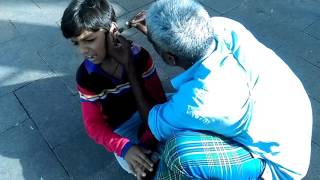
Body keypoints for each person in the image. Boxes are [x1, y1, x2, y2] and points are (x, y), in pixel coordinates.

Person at [107, 0, 313, 179]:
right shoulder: (224, 27)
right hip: (290, 126)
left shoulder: (198, 100)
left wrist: (130, 67)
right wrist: (157, 33)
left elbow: (153, 123)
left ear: (169, 58)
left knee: (177, 152)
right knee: (177, 112)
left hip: (279, 166)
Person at [60, 0, 166, 178]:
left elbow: (158, 98)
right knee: (136, 163)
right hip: (122, 127)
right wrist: (124, 148)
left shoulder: (140, 58)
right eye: (76, 43)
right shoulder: (85, 76)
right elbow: (93, 124)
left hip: (151, 111)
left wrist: (148, 138)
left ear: (112, 30)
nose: (83, 50)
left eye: (90, 40)